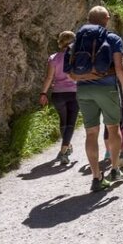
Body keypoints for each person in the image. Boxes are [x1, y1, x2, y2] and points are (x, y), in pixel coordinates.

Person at [67, 5, 123, 192]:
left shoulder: (78, 39)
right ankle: (114, 170)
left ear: (89, 19)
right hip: (107, 89)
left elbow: (70, 73)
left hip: (83, 90)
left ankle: (96, 177)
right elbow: (120, 68)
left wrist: (85, 78)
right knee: (113, 128)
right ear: (106, 18)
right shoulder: (112, 38)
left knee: (91, 133)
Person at [39, 30, 78, 165]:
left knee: (63, 120)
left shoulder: (53, 58)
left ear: (60, 42)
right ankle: (63, 152)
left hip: (58, 94)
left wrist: (43, 93)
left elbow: (49, 77)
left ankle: (66, 146)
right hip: (74, 93)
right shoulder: (76, 57)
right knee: (71, 123)